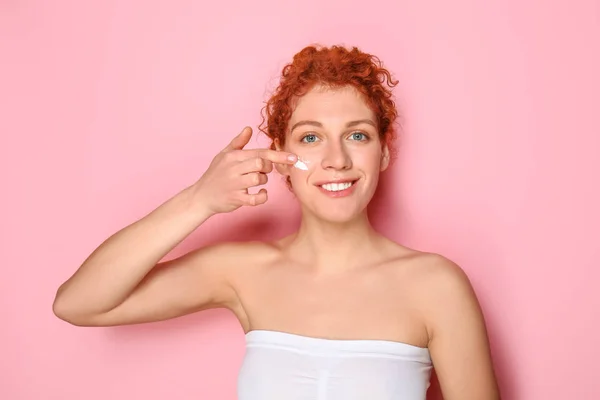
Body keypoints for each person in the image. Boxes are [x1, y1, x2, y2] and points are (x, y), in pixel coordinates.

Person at [53, 44, 500, 400]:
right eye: (310, 137)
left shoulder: (436, 285)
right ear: (283, 160)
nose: (336, 159)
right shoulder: (243, 273)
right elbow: (79, 303)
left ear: (382, 153)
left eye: (357, 135)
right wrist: (198, 200)